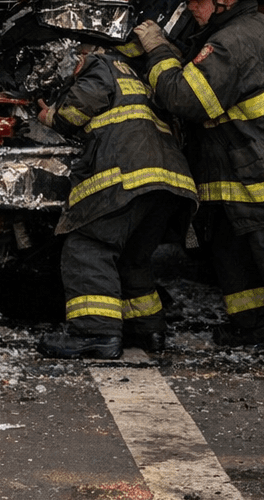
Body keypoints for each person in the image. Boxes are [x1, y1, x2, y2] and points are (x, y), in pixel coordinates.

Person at [134, 0, 264, 362]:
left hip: (259, 169)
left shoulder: (233, 43)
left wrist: (159, 51)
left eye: (197, 0)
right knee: (234, 252)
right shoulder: (253, 30)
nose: (192, 9)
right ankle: (251, 325)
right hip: (240, 167)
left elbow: (186, 100)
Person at [36, 48, 197, 360]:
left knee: (88, 246)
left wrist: (51, 116)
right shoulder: (135, 71)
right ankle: (148, 330)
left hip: (128, 175)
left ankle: (95, 334)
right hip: (169, 180)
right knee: (133, 256)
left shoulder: (98, 63)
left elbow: (79, 108)